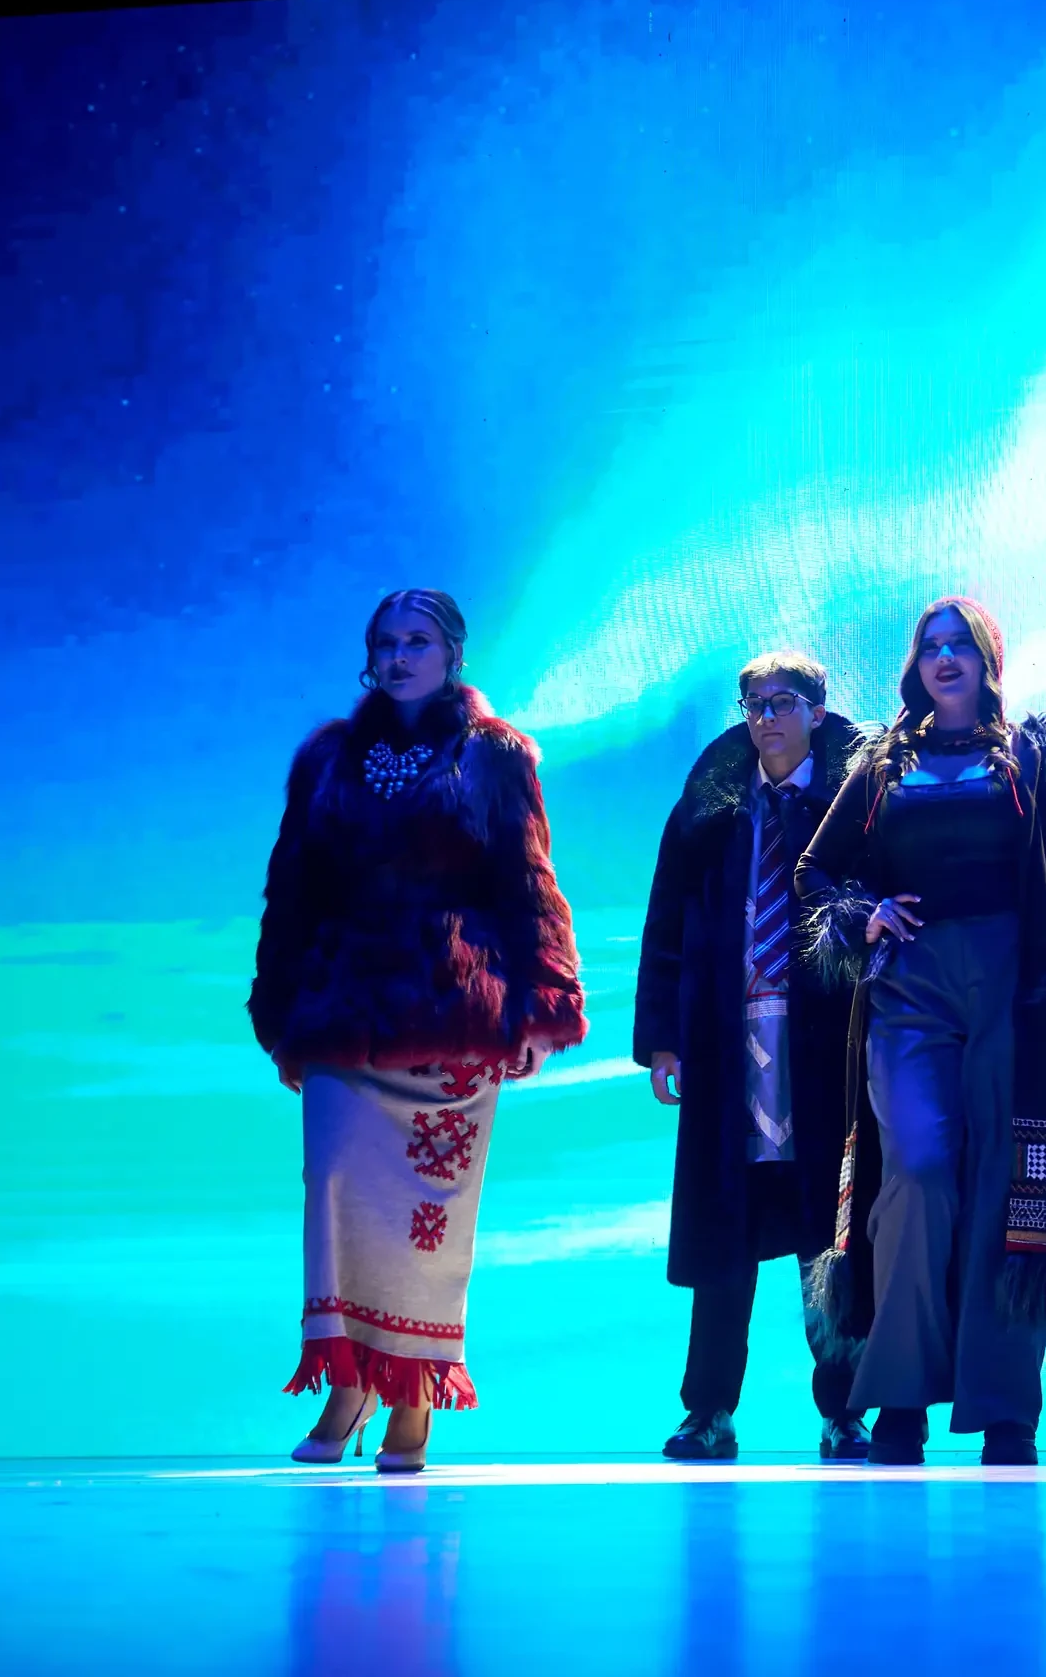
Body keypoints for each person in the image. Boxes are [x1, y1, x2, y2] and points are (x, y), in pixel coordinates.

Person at [249, 588, 588, 1472]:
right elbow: (291, 889)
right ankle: (348, 1379)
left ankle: (409, 1391)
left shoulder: (496, 754)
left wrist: (544, 1004)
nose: (399, 657)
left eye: (417, 640)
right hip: (342, 1011)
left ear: (452, 653)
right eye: (386, 642)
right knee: (333, 1186)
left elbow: (528, 882)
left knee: (427, 1215)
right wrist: (277, 1008)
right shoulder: (326, 758)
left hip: (452, 1014)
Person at [794, 597, 1046, 1466]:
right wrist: (863, 913)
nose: (945, 658)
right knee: (917, 1166)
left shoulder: (1037, 755)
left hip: (1017, 986)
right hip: (913, 986)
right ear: (916, 665)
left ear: (989, 661)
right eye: (931, 646)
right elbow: (815, 869)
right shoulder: (884, 761)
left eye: (961, 645)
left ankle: (1005, 1408)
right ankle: (900, 1396)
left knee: (1006, 1188)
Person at [634, 652, 868, 1461]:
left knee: (826, 1231)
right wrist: (663, 1037)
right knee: (722, 1235)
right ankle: (708, 1411)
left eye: (783, 701)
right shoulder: (710, 806)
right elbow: (666, 923)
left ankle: (845, 1410)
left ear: (817, 709)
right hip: (726, 1044)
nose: (766, 717)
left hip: (822, 1043)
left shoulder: (856, 800)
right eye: (754, 703)